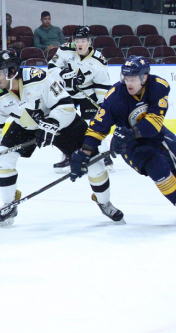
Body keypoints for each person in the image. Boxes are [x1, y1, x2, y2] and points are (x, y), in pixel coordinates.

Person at [0, 50, 122, 227]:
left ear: (11, 71)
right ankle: (9, 205)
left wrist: (52, 123)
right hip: (26, 126)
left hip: (64, 123)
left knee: (93, 164)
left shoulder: (39, 78)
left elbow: (66, 105)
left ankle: (104, 202)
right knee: (3, 158)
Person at [71, 56, 176, 214]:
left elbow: (154, 122)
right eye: (126, 78)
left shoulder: (158, 86)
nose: (129, 83)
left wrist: (131, 132)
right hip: (130, 145)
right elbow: (98, 126)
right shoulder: (115, 97)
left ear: (144, 77)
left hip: (156, 135)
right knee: (158, 169)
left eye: (133, 79)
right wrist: (84, 152)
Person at [47, 25, 114, 173]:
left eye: (83, 40)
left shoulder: (98, 60)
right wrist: (63, 74)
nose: (79, 44)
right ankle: (68, 153)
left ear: (89, 41)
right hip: (67, 92)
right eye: (77, 40)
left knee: (94, 123)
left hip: (88, 92)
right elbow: (51, 68)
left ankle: (103, 154)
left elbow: (103, 84)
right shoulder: (65, 50)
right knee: (62, 123)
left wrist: (102, 103)